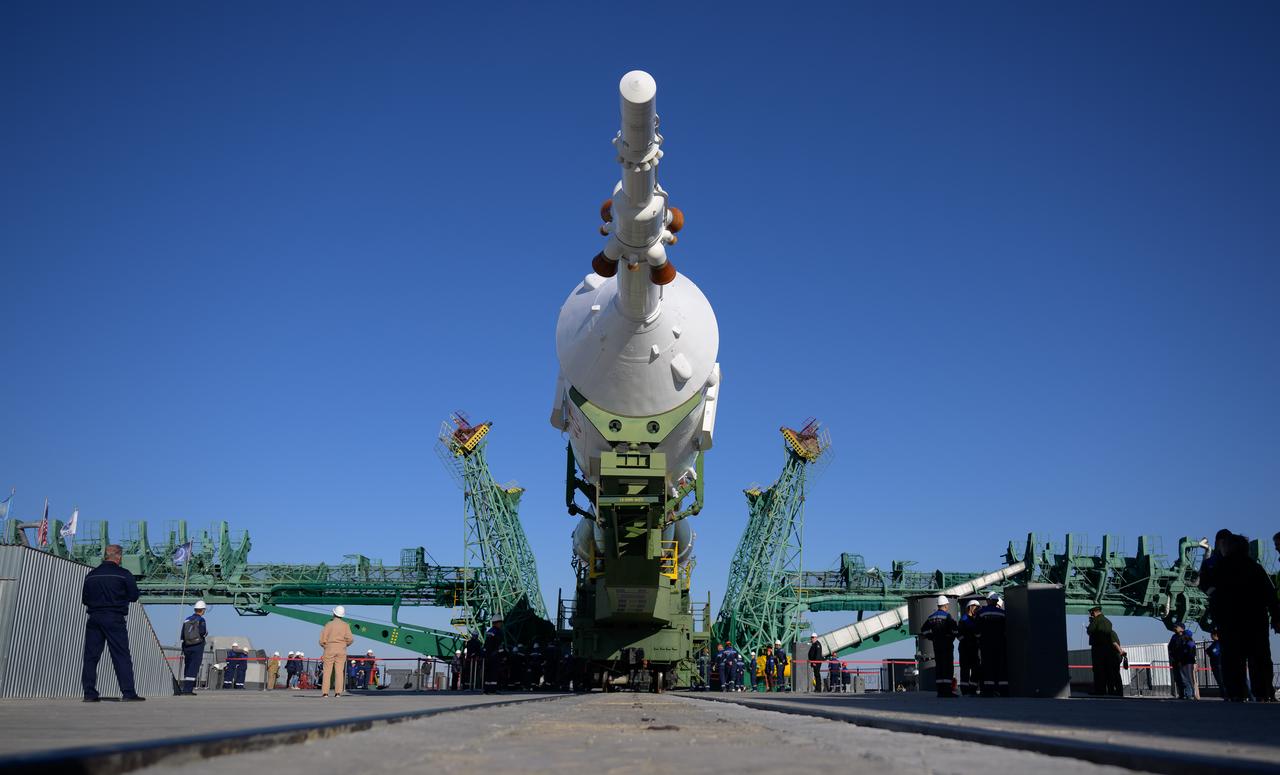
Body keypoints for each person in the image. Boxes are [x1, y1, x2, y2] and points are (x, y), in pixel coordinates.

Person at [1210, 533, 1280, 701]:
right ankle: (1263, 693)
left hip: (1230, 623)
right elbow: (1270, 596)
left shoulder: (1220, 569)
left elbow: (1212, 594)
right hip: (1256, 622)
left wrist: (1216, 616)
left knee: (1232, 659)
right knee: (1260, 658)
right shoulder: (1255, 568)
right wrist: (1276, 617)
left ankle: (1236, 693)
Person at [81, 544, 144, 702]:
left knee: (91, 657)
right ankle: (128, 693)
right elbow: (134, 596)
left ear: (105, 556)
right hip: (114, 617)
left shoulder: (91, 575)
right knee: (120, 655)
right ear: (119, 557)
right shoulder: (124, 574)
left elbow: (85, 599)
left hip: (94, 618)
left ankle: (89, 694)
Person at [921, 595, 958, 697]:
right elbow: (955, 630)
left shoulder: (931, 617)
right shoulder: (947, 617)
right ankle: (947, 691)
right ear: (945, 605)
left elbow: (923, 630)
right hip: (947, 645)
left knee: (940, 667)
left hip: (936, 645)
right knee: (947, 667)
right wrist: (952, 637)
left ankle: (940, 691)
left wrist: (931, 637)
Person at [1087, 605, 1123, 696]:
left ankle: (1100, 690)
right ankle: (1114, 691)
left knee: (1098, 670)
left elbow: (1090, 630)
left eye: (1092, 614)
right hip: (1108, 651)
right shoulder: (1108, 622)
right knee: (1110, 672)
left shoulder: (1096, 620)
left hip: (1098, 649)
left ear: (1094, 613)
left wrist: (1090, 624)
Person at [319, 605, 354, 697]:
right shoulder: (345, 625)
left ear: (334, 613)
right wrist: (344, 645)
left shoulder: (328, 624)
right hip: (341, 649)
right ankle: (338, 692)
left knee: (327, 671)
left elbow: (322, 639)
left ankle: (325, 693)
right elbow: (350, 639)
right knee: (339, 671)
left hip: (329, 648)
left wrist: (325, 646)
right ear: (342, 615)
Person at [976, 593, 1007, 697]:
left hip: (986, 644)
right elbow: (1006, 629)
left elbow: (977, 630)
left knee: (987, 665)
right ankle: (1002, 690)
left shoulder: (981, 613)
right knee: (1000, 665)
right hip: (999, 643)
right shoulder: (1003, 613)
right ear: (997, 601)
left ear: (988, 600)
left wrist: (979, 638)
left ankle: (988, 690)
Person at [178, 600, 208, 696]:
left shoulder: (187, 619)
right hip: (197, 646)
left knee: (187, 665)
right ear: (202, 610)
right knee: (193, 667)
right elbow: (203, 632)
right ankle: (188, 690)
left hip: (187, 646)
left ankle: (185, 688)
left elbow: (182, 634)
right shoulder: (201, 620)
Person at [958, 599, 982, 696]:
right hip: (966, 649)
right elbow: (959, 634)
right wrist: (967, 640)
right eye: (976, 607)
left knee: (975, 669)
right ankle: (965, 690)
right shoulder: (964, 620)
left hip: (973, 648)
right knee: (965, 669)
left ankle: (972, 689)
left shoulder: (975, 619)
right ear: (970, 607)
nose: (977, 610)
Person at [1168, 622, 1195, 699]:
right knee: (1177, 678)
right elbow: (1170, 647)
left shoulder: (1186, 636)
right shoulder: (1174, 637)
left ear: (1181, 628)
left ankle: (1188, 694)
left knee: (1185, 678)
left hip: (1184, 661)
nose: (1174, 628)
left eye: (1176, 626)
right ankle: (1181, 694)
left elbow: (1191, 648)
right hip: (1175, 660)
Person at [483, 614, 503, 693]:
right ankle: (493, 689)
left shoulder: (489, 631)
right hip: (495, 655)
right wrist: (502, 655)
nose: (501, 624)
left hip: (488, 655)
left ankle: (487, 689)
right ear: (497, 622)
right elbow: (499, 644)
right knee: (494, 672)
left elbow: (486, 644)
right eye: (500, 622)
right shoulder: (498, 632)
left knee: (488, 672)